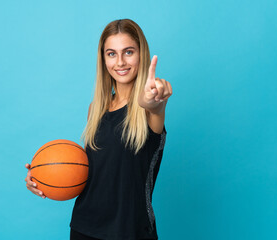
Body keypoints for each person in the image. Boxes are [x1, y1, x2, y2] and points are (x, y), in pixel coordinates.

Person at [25, 19, 172, 240]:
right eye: (111, 53)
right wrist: (42, 176)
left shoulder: (149, 108)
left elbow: (152, 104)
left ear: (141, 54)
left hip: (130, 231)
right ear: (103, 59)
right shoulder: (95, 109)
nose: (120, 62)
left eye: (128, 52)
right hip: (85, 228)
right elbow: (86, 170)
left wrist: (154, 99)